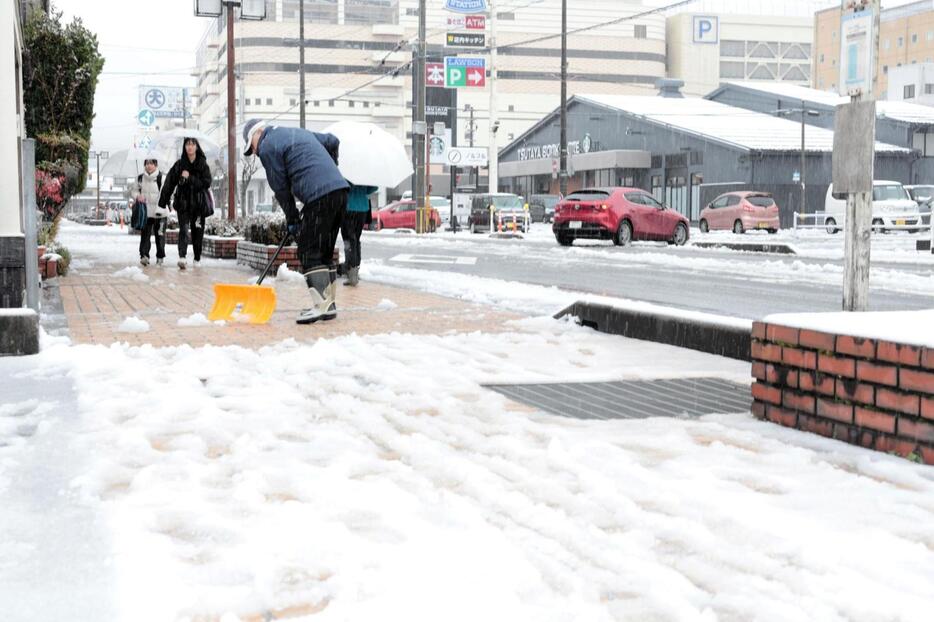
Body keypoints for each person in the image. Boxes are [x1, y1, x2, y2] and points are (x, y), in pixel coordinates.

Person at [242, 119, 349, 324]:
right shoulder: (296, 133)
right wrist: (330, 167)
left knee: (309, 250)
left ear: (258, 133)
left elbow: (280, 188)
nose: (255, 152)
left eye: (252, 147)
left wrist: (292, 218)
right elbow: (332, 141)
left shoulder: (267, 146)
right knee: (324, 250)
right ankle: (328, 304)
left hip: (320, 195)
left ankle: (321, 305)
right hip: (340, 191)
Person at [158, 137, 212, 270]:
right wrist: (162, 202)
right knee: (183, 230)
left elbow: (206, 183)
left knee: (197, 232)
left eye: (193, 144)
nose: (190, 147)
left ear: (197, 147)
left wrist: (190, 178)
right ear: (184, 147)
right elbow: (169, 183)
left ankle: (197, 258)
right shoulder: (180, 164)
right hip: (183, 204)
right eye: (187, 144)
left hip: (199, 205)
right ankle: (182, 257)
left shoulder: (203, 164)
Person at [130, 159, 167, 266]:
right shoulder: (140, 178)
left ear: (156, 165)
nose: (149, 166)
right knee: (145, 236)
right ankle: (144, 256)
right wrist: (138, 196)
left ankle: (160, 257)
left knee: (160, 236)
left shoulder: (162, 178)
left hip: (160, 212)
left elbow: (166, 192)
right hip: (145, 212)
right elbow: (134, 190)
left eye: (151, 163)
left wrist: (162, 203)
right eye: (147, 163)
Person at [339, 184, 377, 286]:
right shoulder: (364, 174)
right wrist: (362, 191)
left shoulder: (347, 172)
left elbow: (341, 187)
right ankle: (355, 270)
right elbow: (374, 187)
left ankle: (351, 271)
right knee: (355, 239)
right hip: (363, 208)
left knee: (348, 239)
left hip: (349, 207)